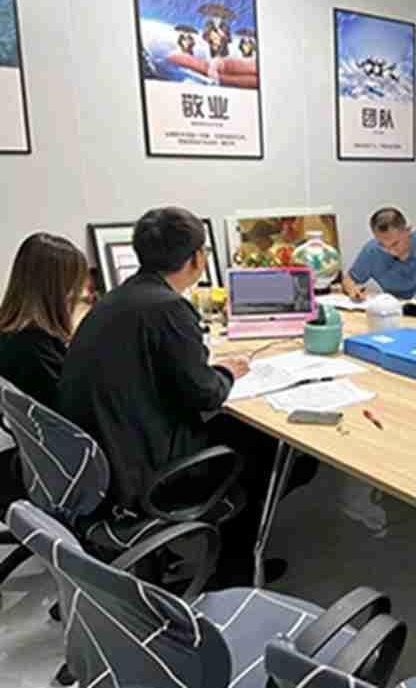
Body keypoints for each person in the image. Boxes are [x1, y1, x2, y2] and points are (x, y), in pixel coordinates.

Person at [59, 207, 305, 584]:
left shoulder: (117, 298)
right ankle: (233, 573)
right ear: (197, 259)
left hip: (102, 458)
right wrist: (228, 371)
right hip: (140, 472)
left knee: (236, 434)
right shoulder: (168, 308)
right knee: (268, 447)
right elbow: (205, 395)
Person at [0, 233, 88, 409]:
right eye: (76, 286)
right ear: (60, 290)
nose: (82, 294)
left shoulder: (10, 336)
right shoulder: (37, 351)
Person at [341, 207, 416, 304]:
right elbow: (348, 280)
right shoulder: (372, 250)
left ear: (408, 231)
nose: (390, 251)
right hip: (393, 307)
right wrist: (353, 290)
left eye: (395, 244)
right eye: (382, 245)